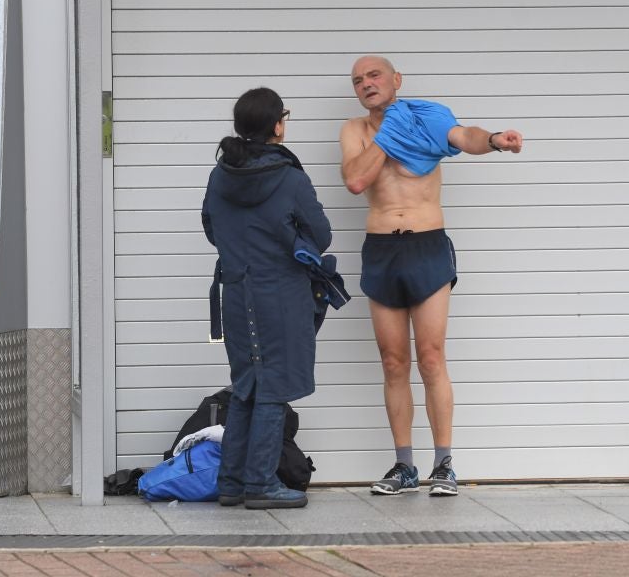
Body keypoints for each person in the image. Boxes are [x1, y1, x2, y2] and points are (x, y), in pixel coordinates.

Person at [339, 56, 523, 496]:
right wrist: (389, 133)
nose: (367, 84)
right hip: (382, 248)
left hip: (427, 244)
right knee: (393, 362)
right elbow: (357, 180)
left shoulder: (428, 117)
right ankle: (404, 466)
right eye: (358, 80)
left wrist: (496, 140)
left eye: (375, 75)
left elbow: (465, 137)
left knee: (433, 356)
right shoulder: (354, 131)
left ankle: (444, 465)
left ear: (397, 79)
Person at [202, 87, 332, 509]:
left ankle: (233, 483)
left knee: (246, 388)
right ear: (277, 125)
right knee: (274, 388)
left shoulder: (221, 175)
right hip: (281, 293)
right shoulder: (290, 177)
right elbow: (323, 236)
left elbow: (211, 228)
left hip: (236, 292)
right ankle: (260, 485)